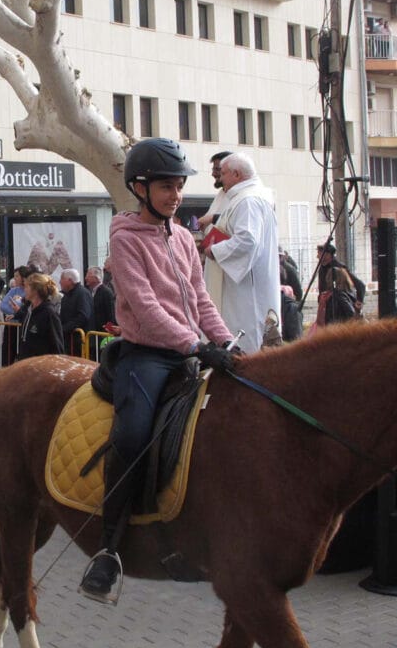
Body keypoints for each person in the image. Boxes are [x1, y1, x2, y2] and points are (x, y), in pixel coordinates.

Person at [80, 138, 235, 602]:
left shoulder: (185, 236)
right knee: (131, 436)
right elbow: (145, 309)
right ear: (140, 188)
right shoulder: (124, 239)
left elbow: (201, 299)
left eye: (180, 186)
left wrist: (224, 341)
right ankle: (107, 551)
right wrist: (195, 344)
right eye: (167, 186)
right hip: (144, 355)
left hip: (191, 350)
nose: (176, 195)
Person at [205, 152, 279, 354]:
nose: (220, 178)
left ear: (236, 174)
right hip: (244, 285)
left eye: (223, 173)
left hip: (245, 292)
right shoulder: (248, 197)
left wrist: (215, 250)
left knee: (247, 343)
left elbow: (248, 240)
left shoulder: (249, 201)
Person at [15, 273, 64, 360]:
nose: (24, 290)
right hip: (27, 363)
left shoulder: (49, 313)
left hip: (42, 366)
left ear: (35, 290)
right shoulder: (29, 310)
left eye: (26, 287)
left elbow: (57, 345)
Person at [58, 269, 93, 355]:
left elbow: (83, 316)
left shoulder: (82, 293)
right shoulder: (67, 294)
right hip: (69, 339)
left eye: (62, 279)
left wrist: (65, 328)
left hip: (80, 339)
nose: (59, 282)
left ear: (70, 280)